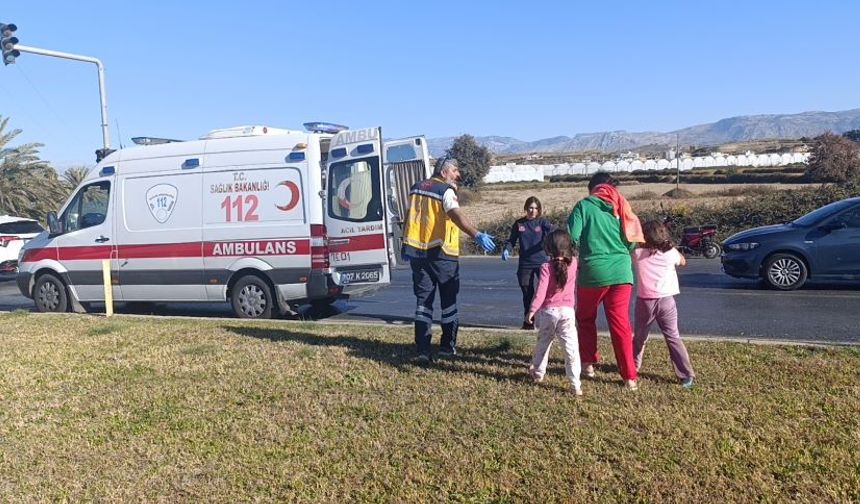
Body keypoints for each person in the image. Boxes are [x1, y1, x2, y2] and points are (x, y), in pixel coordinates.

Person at [401, 156, 496, 363]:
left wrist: (405, 245)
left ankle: (422, 350)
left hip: (418, 252)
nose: (458, 175)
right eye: (455, 171)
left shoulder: (416, 188)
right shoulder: (445, 191)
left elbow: (411, 217)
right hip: (443, 253)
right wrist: (476, 234)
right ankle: (446, 347)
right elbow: (455, 215)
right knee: (449, 303)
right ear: (444, 172)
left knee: (423, 303)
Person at [568, 172, 644, 390]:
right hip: (622, 273)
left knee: (585, 318)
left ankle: (588, 363)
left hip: (593, 272)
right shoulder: (621, 205)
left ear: (592, 188)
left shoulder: (583, 206)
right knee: (620, 324)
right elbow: (631, 243)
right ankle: (629, 377)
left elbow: (572, 236)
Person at [632, 220, 696, 388]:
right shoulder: (671, 253)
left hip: (645, 301)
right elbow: (682, 261)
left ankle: (633, 367)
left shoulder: (637, 253)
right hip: (667, 300)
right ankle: (686, 375)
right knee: (673, 336)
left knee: (639, 337)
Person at [526, 229, 582, 396]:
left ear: (548, 248)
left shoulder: (545, 267)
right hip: (567, 313)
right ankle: (575, 384)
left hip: (548, 312)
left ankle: (538, 373)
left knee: (543, 343)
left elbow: (541, 292)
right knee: (571, 349)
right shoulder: (574, 264)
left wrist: (532, 310)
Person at [502, 197, 556, 330]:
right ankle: (528, 323)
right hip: (525, 264)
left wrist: (550, 246)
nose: (533, 211)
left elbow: (554, 231)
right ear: (526, 208)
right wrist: (507, 250)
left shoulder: (542, 222)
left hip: (542, 263)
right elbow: (511, 240)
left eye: (536, 208)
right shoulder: (519, 224)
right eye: (530, 208)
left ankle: (550, 323)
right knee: (527, 294)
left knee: (546, 293)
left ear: (539, 210)